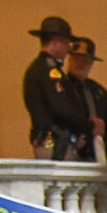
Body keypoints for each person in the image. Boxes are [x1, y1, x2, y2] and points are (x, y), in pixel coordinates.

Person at [22, 15, 94, 159]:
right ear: (55, 42)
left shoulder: (43, 68)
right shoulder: (49, 71)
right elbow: (61, 108)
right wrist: (89, 125)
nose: (68, 49)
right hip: (55, 142)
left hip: (58, 140)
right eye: (66, 43)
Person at [67, 34, 107, 163]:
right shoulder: (62, 86)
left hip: (96, 154)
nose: (81, 64)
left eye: (86, 61)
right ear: (70, 58)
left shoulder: (99, 92)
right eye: (77, 59)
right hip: (70, 152)